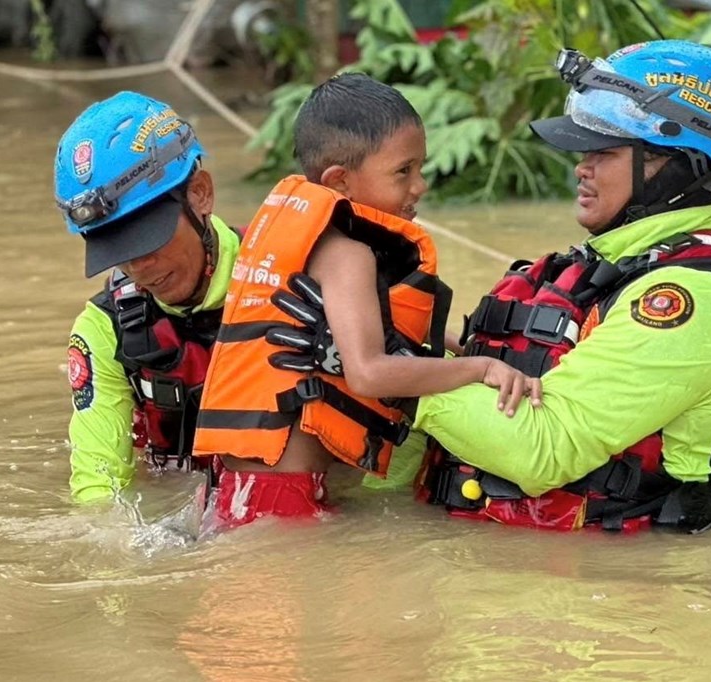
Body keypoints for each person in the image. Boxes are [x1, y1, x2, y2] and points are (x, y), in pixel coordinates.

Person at [274, 41, 711, 533]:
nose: (582, 169)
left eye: (603, 152)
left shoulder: (691, 303)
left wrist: (383, 373)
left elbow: (545, 450)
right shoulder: (597, 268)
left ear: (675, 166)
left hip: (604, 600)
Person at [191, 73, 538, 529]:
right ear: (341, 182)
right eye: (403, 171)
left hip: (234, 488)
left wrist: (455, 345)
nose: (420, 186)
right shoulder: (348, 255)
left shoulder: (309, 242)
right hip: (283, 497)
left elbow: (350, 334)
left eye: (420, 168)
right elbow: (369, 372)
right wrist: (483, 368)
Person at [55, 92, 242, 504]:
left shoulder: (289, 280)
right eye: (118, 250)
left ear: (200, 195)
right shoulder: (105, 329)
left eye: (148, 239)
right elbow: (98, 484)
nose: (138, 266)